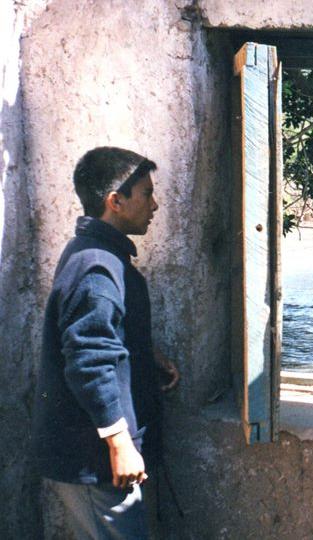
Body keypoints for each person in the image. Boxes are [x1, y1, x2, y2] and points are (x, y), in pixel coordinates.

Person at [33, 147, 179, 539]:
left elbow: (101, 332)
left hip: (97, 457)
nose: (155, 203)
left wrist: (143, 352)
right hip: (97, 460)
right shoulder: (97, 266)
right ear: (115, 202)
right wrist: (119, 444)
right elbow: (87, 360)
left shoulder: (97, 255)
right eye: (146, 194)